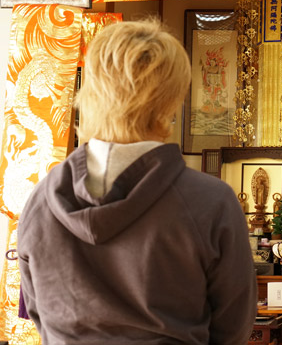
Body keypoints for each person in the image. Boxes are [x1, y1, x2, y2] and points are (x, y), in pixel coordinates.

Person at [18, 20, 257, 345]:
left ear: (90, 90)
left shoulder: (41, 200)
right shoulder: (211, 202)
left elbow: (38, 313)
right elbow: (233, 329)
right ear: (172, 101)